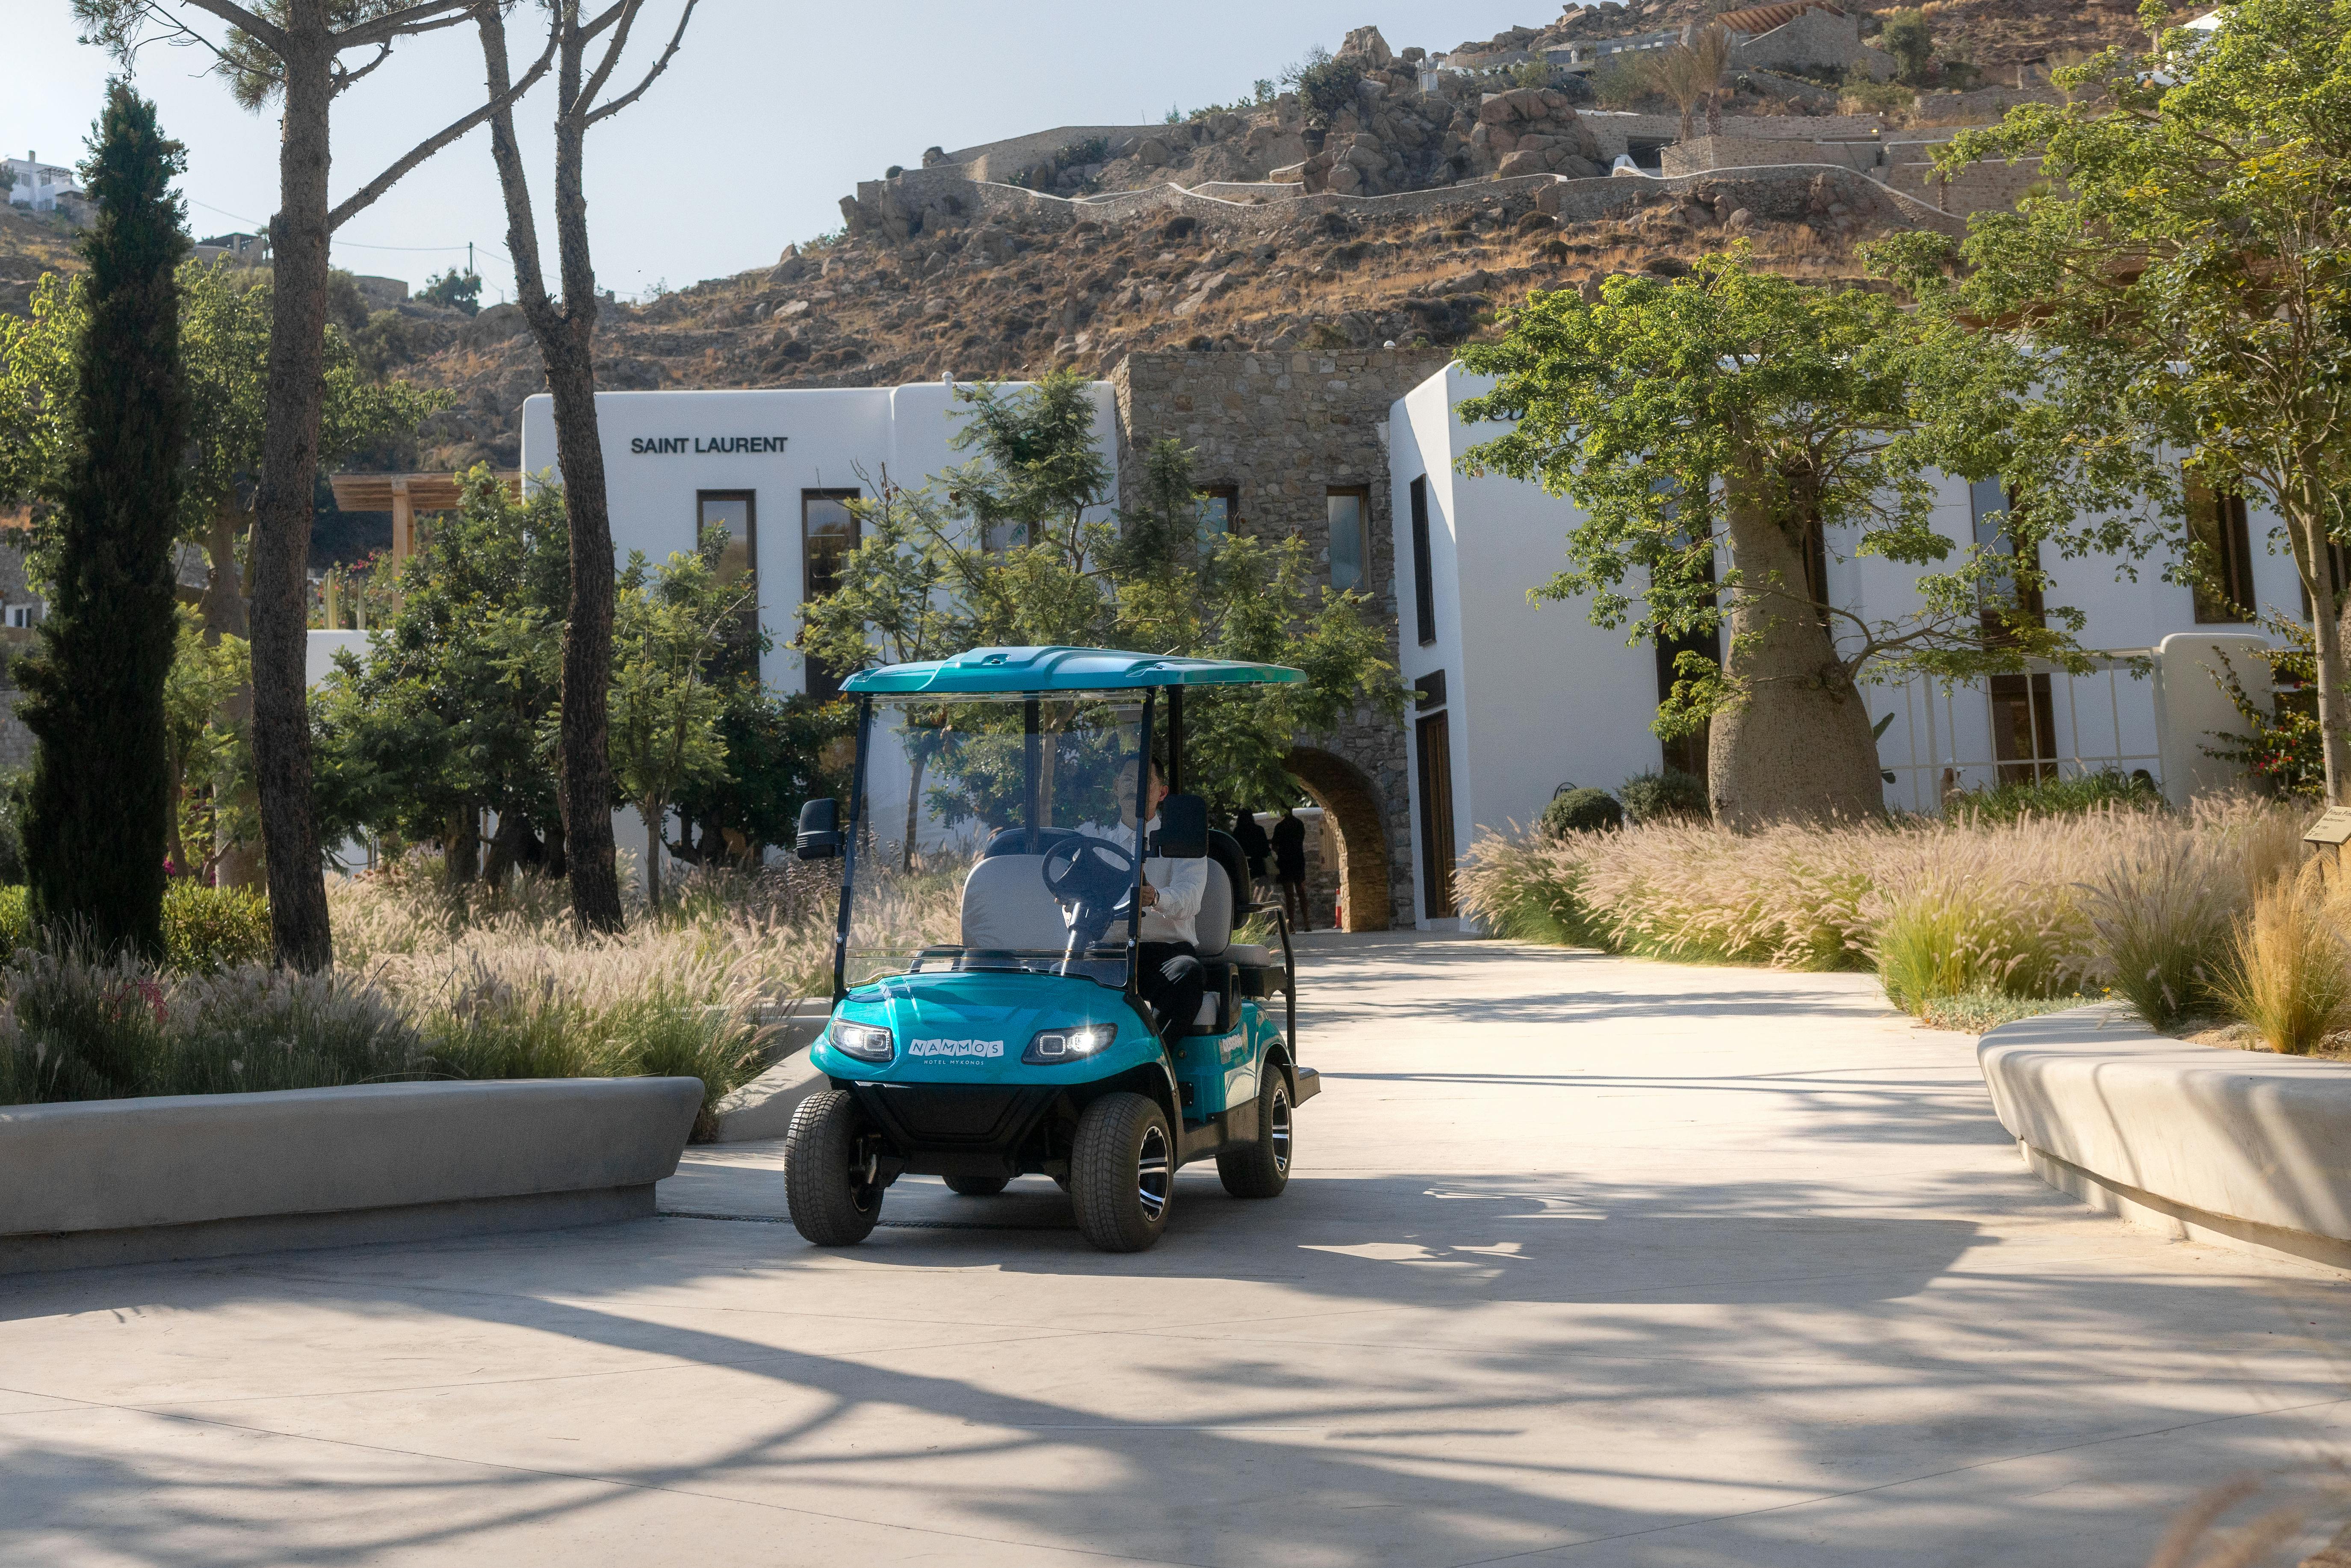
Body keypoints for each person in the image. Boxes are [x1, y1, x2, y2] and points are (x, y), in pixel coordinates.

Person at [1082, 759, 1208, 1048]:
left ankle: (1149, 1060)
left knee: (1188, 975)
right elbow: (1078, 905)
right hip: (1108, 954)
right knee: (1055, 979)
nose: (1133, 786)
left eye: (1143, 781)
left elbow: (1190, 897)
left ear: (1162, 793)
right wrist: (1069, 905)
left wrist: (1156, 897)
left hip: (1163, 954)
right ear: (1115, 787)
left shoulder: (1182, 841)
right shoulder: (1095, 841)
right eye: (1126, 778)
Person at [1270, 803, 1311, 933]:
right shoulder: (1299, 824)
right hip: (1298, 860)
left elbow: (1275, 846)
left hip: (1285, 862)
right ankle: (1307, 923)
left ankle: (1292, 925)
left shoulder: (1280, 827)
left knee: (1289, 894)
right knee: (1301, 891)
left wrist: (1281, 851)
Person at [1232, 807, 1270, 901]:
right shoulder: (1259, 830)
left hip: (1244, 866)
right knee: (1263, 895)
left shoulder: (1237, 832)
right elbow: (1265, 850)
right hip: (1259, 866)